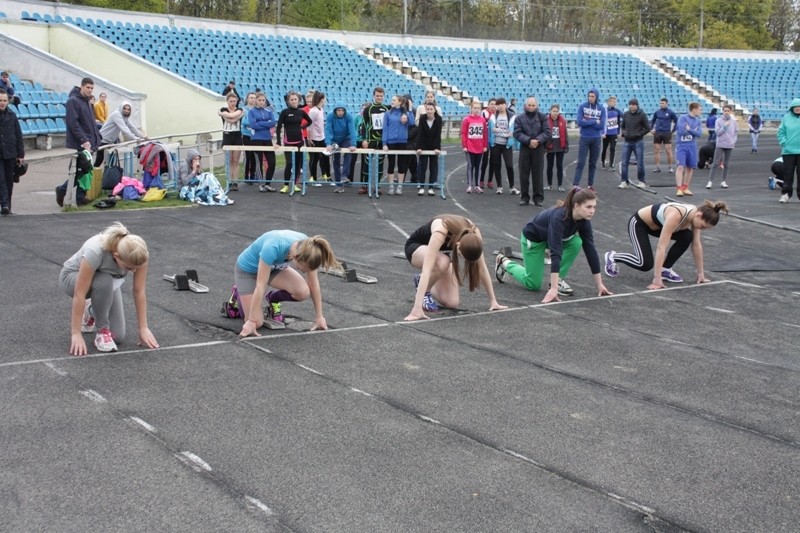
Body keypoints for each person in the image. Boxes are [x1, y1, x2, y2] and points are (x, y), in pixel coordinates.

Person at [495, 188, 612, 303]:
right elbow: (556, 252)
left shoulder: (584, 220)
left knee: (577, 242)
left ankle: (557, 280)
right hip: (533, 239)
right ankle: (504, 262)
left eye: (594, 207)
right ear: (576, 206)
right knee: (532, 284)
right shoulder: (559, 217)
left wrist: (600, 285)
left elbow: (590, 249)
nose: (592, 211)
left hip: (549, 238)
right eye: (588, 207)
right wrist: (553, 290)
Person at [60, 222, 159, 356]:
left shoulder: (139, 254)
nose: (134, 271)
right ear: (116, 255)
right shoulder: (95, 252)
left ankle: (91, 311)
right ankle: (102, 331)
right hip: (72, 280)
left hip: (106, 285)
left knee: (117, 337)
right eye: (129, 268)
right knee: (104, 279)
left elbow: (138, 291)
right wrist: (76, 333)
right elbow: (79, 294)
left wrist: (143, 328)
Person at [604, 200, 728, 289]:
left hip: (658, 226)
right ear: (699, 215)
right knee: (645, 264)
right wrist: (656, 279)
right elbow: (661, 247)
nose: (702, 229)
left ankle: (665, 269)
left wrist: (701, 274)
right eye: (703, 226)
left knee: (688, 236)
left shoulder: (696, 218)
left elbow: (696, 245)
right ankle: (613, 256)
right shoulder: (676, 216)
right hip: (639, 224)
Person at [235, 231, 339, 337]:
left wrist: (319, 316)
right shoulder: (273, 247)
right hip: (248, 271)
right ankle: (237, 293)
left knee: (302, 292)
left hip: (273, 268)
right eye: (300, 268)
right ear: (296, 256)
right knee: (256, 323)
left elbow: (313, 283)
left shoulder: (310, 249)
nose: (303, 272)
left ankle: (273, 298)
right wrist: (251, 321)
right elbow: (261, 286)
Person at [404, 214, 506, 320]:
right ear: (457, 245)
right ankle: (425, 291)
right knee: (444, 261)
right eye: (461, 256)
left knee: (452, 302)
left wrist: (493, 301)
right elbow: (427, 269)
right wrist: (417, 309)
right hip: (416, 248)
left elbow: (482, 267)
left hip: (441, 256)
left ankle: (420, 281)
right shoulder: (441, 231)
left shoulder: (474, 233)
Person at [513, 96, 551, 206]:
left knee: (538, 174)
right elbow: (517, 133)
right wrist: (529, 141)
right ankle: (524, 197)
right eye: (529, 105)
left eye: (533, 105)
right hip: (525, 148)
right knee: (523, 174)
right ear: (525, 106)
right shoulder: (519, 118)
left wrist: (537, 141)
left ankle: (538, 198)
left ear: (537, 106)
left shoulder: (543, 117)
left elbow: (547, 132)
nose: (531, 107)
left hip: (538, 148)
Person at [275, 91, 312, 194]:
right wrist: (278, 141)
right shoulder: (284, 112)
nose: (294, 101)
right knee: (289, 163)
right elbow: (278, 127)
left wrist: (302, 127)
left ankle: (295, 184)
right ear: (288, 101)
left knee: (297, 164)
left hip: (299, 141)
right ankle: (286, 185)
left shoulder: (301, 112)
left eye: (295, 99)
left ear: (299, 100)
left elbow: (310, 121)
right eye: (291, 99)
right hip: (288, 141)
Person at [572, 88, 605, 190]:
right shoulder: (582, 107)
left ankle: (590, 185)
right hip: (584, 138)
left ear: (596, 97)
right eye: (589, 96)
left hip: (596, 138)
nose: (590, 98)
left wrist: (588, 121)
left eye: (592, 96)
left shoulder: (601, 109)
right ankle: (575, 184)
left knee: (593, 163)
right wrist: (594, 121)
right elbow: (580, 122)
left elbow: (602, 125)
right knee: (581, 162)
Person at [383, 94, 415, 195]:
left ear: (400, 102)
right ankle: (391, 186)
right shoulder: (387, 114)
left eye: (394, 100)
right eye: (392, 100)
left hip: (402, 142)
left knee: (401, 164)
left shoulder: (404, 113)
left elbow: (412, 123)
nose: (392, 101)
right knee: (391, 164)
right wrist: (384, 143)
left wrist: (409, 110)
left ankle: (400, 186)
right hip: (391, 142)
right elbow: (385, 129)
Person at [360, 87, 389, 195]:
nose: (379, 98)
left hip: (382, 141)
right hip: (371, 140)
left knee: (380, 164)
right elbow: (363, 125)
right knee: (367, 163)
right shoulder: (368, 109)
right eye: (377, 96)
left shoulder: (387, 108)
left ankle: (378, 185)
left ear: (384, 96)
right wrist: (364, 139)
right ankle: (364, 186)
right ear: (374, 96)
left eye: (381, 96)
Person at [0, 89, 24, 215]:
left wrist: (20, 154)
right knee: (1, 180)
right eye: (0, 100)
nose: (2, 103)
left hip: (10, 153)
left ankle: (7, 206)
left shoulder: (12, 115)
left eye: (4, 100)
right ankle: (4, 204)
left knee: (9, 181)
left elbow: (18, 135)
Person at [325, 102, 358, 192]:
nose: (340, 112)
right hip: (335, 139)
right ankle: (339, 185)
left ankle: (344, 176)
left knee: (348, 153)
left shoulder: (348, 116)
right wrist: (328, 143)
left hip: (345, 138)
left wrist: (353, 144)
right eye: (339, 110)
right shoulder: (330, 116)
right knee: (336, 160)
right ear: (335, 110)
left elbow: (352, 130)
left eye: (342, 110)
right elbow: (328, 129)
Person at [248, 92, 278, 193]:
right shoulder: (251, 112)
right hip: (256, 139)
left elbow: (273, 123)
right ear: (256, 100)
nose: (261, 102)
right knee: (258, 162)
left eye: (263, 100)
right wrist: (266, 124)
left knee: (272, 162)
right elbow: (253, 125)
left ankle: (268, 183)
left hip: (267, 139)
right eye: (259, 100)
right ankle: (261, 184)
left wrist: (260, 123)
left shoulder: (269, 111)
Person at [618, 98, 650, 189]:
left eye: (633, 104)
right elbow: (622, 125)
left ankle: (641, 180)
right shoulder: (626, 114)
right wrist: (624, 132)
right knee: (624, 162)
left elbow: (647, 128)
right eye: (630, 104)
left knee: (640, 162)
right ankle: (624, 181)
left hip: (638, 142)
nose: (631, 106)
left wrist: (638, 134)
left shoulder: (642, 115)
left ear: (637, 105)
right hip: (627, 141)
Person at [673, 102, 703, 197]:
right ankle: (679, 188)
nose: (700, 111)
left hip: (692, 146)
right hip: (682, 146)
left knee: (690, 167)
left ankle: (685, 187)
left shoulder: (698, 121)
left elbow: (699, 134)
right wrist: (693, 131)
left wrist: (689, 129)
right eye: (699, 109)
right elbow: (681, 131)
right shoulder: (682, 118)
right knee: (680, 166)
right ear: (694, 109)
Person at [706, 105, 737, 189]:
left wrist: (733, 141)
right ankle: (710, 181)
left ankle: (723, 181)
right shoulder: (718, 121)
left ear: (730, 111)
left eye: (728, 110)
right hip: (720, 144)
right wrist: (725, 126)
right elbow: (718, 133)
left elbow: (735, 133)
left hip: (729, 145)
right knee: (715, 163)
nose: (726, 112)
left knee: (726, 164)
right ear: (722, 111)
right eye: (725, 110)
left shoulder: (734, 122)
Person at [488, 97, 515, 194]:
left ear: (505, 104)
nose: (499, 106)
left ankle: (512, 187)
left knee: (509, 165)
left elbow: (514, 129)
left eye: (501, 104)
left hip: (507, 145)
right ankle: (499, 186)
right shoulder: (493, 116)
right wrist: (493, 130)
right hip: (496, 144)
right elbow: (491, 129)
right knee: (497, 165)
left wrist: (512, 134)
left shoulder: (511, 116)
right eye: (497, 104)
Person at [65, 77, 100, 152]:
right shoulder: (73, 101)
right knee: (80, 162)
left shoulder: (87, 101)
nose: (90, 90)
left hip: (91, 142)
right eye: (88, 87)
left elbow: (91, 122)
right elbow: (73, 123)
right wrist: (83, 140)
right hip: (82, 143)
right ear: (81, 87)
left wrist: (98, 137)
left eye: (92, 88)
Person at [415, 101, 442, 196]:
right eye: (428, 109)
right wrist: (418, 147)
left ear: (434, 110)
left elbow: (438, 135)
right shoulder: (422, 118)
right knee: (423, 167)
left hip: (434, 146)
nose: (429, 111)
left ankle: (431, 187)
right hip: (424, 146)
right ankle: (421, 186)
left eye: (431, 109)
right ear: (425, 110)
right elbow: (420, 134)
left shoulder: (438, 119)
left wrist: (437, 148)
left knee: (433, 167)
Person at [218, 92, 244, 191]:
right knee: (228, 161)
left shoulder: (239, 109)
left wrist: (224, 116)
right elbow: (232, 117)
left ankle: (235, 181)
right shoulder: (223, 109)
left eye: (234, 101)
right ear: (227, 101)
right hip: (227, 135)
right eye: (231, 101)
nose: (233, 103)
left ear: (237, 101)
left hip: (237, 136)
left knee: (235, 161)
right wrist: (236, 117)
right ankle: (229, 180)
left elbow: (232, 117)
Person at [461, 100, 488, 193]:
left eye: (478, 108)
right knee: (470, 166)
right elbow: (463, 133)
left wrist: (485, 145)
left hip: (480, 148)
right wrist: (464, 145)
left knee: (478, 167)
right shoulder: (466, 120)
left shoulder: (483, 120)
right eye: (474, 108)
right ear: (471, 109)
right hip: (470, 147)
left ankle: (477, 185)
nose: (476, 110)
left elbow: (485, 133)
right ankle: (469, 185)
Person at [778, 98, 800, 204]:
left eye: (799, 107)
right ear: (792, 108)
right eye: (795, 107)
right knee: (788, 174)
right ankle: (786, 194)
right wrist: (784, 142)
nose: (797, 108)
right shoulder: (786, 118)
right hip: (788, 152)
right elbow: (781, 132)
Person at [307, 91, 330, 186]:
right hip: (314, 138)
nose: (325, 101)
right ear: (321, 99)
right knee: (315, 159)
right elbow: (309, 125)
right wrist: (309, 138)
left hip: (322, 138)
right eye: (325, 99)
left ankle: (328, 177)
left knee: (325, 158)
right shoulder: (313, 111)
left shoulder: (321, 110)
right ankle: (314, 178)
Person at [650, 98, 678, 173]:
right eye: (660, 103)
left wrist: (673, 130)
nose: (661, 104)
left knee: (668, 150)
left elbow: (676, 121)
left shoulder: (671, 112)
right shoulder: (657, 112)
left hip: (666, 133)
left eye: (663, 103)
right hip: (658, 132)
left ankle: (670, 167)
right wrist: (651, 129)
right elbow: (652, 121)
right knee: (656, 150)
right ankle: (657, 167)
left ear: (666, 104)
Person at [545, 103, 568, 192]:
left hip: (560, 147)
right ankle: (549, 184)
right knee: (549, 166)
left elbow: (565, 134)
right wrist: (544, 147)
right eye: (553, 111)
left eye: (557, 111)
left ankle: (560, 185)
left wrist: (566, 145)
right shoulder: (546, 121)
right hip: (550, 147)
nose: (555, 113)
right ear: (550, 111)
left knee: (559, 166)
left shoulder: (562, 121)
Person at [240, 92, 257, 184]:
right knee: (247, 156)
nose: (253, 99)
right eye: (251, 98)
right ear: (247, 99)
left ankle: (253, 176)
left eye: (254, 98)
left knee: (254, 156)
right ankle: (246, 176)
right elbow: (244, 122)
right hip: (246, 134)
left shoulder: (257, 110)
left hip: (255, 135)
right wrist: (254, 123)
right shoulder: (243, 109)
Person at [479, 98, 496, 187]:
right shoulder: (484, 112)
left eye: (494, 104)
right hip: (485, 139)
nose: (493, 105)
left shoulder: (498, 114)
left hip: (494, 139)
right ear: (488, 105)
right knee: (484, 161)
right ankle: (481, 179)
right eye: (491, 104)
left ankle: (490, 180)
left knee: (493, 160)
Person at [601, 96, 620, 171]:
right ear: (609, 102)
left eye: (615, 102)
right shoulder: (605, 111)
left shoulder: (617, 111)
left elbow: (619, 121)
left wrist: (618, 132)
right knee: (605, 148)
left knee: (612, 148)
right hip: (606, 133)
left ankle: (611, 165)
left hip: (614, 133)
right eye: (612, 101)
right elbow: (602, 122)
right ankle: (603, 161)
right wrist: (602, 132)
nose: (614, 103)